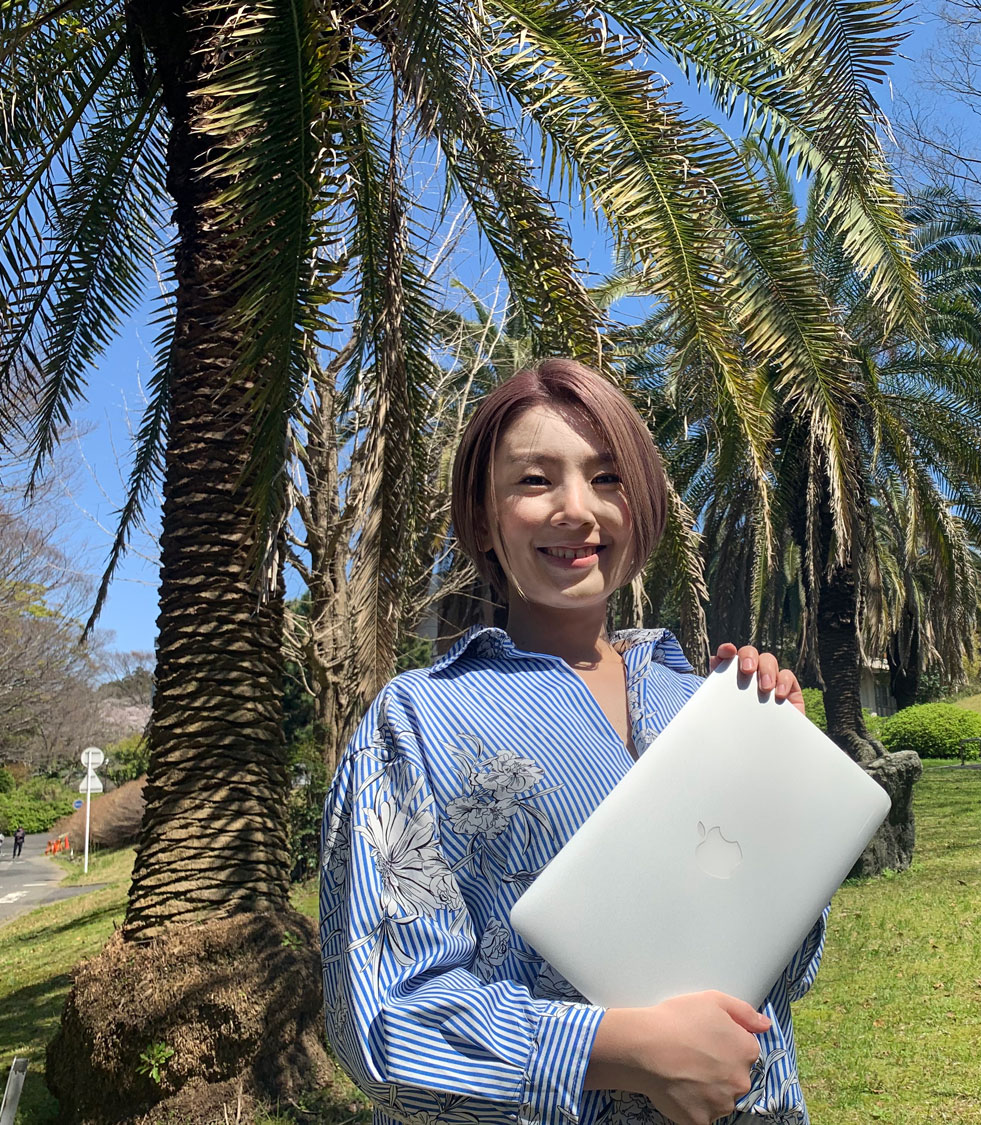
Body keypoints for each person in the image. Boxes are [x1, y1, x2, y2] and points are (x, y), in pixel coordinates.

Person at [321, 359, 824, 1125]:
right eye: (534, 480)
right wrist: (622, 1048)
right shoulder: (417, 721)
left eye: (607, 477)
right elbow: (384, 1018)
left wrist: (785, 776)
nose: (577, 510)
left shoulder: (702, 702)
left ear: (641, 504)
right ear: (483, 519)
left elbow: (785, 970)